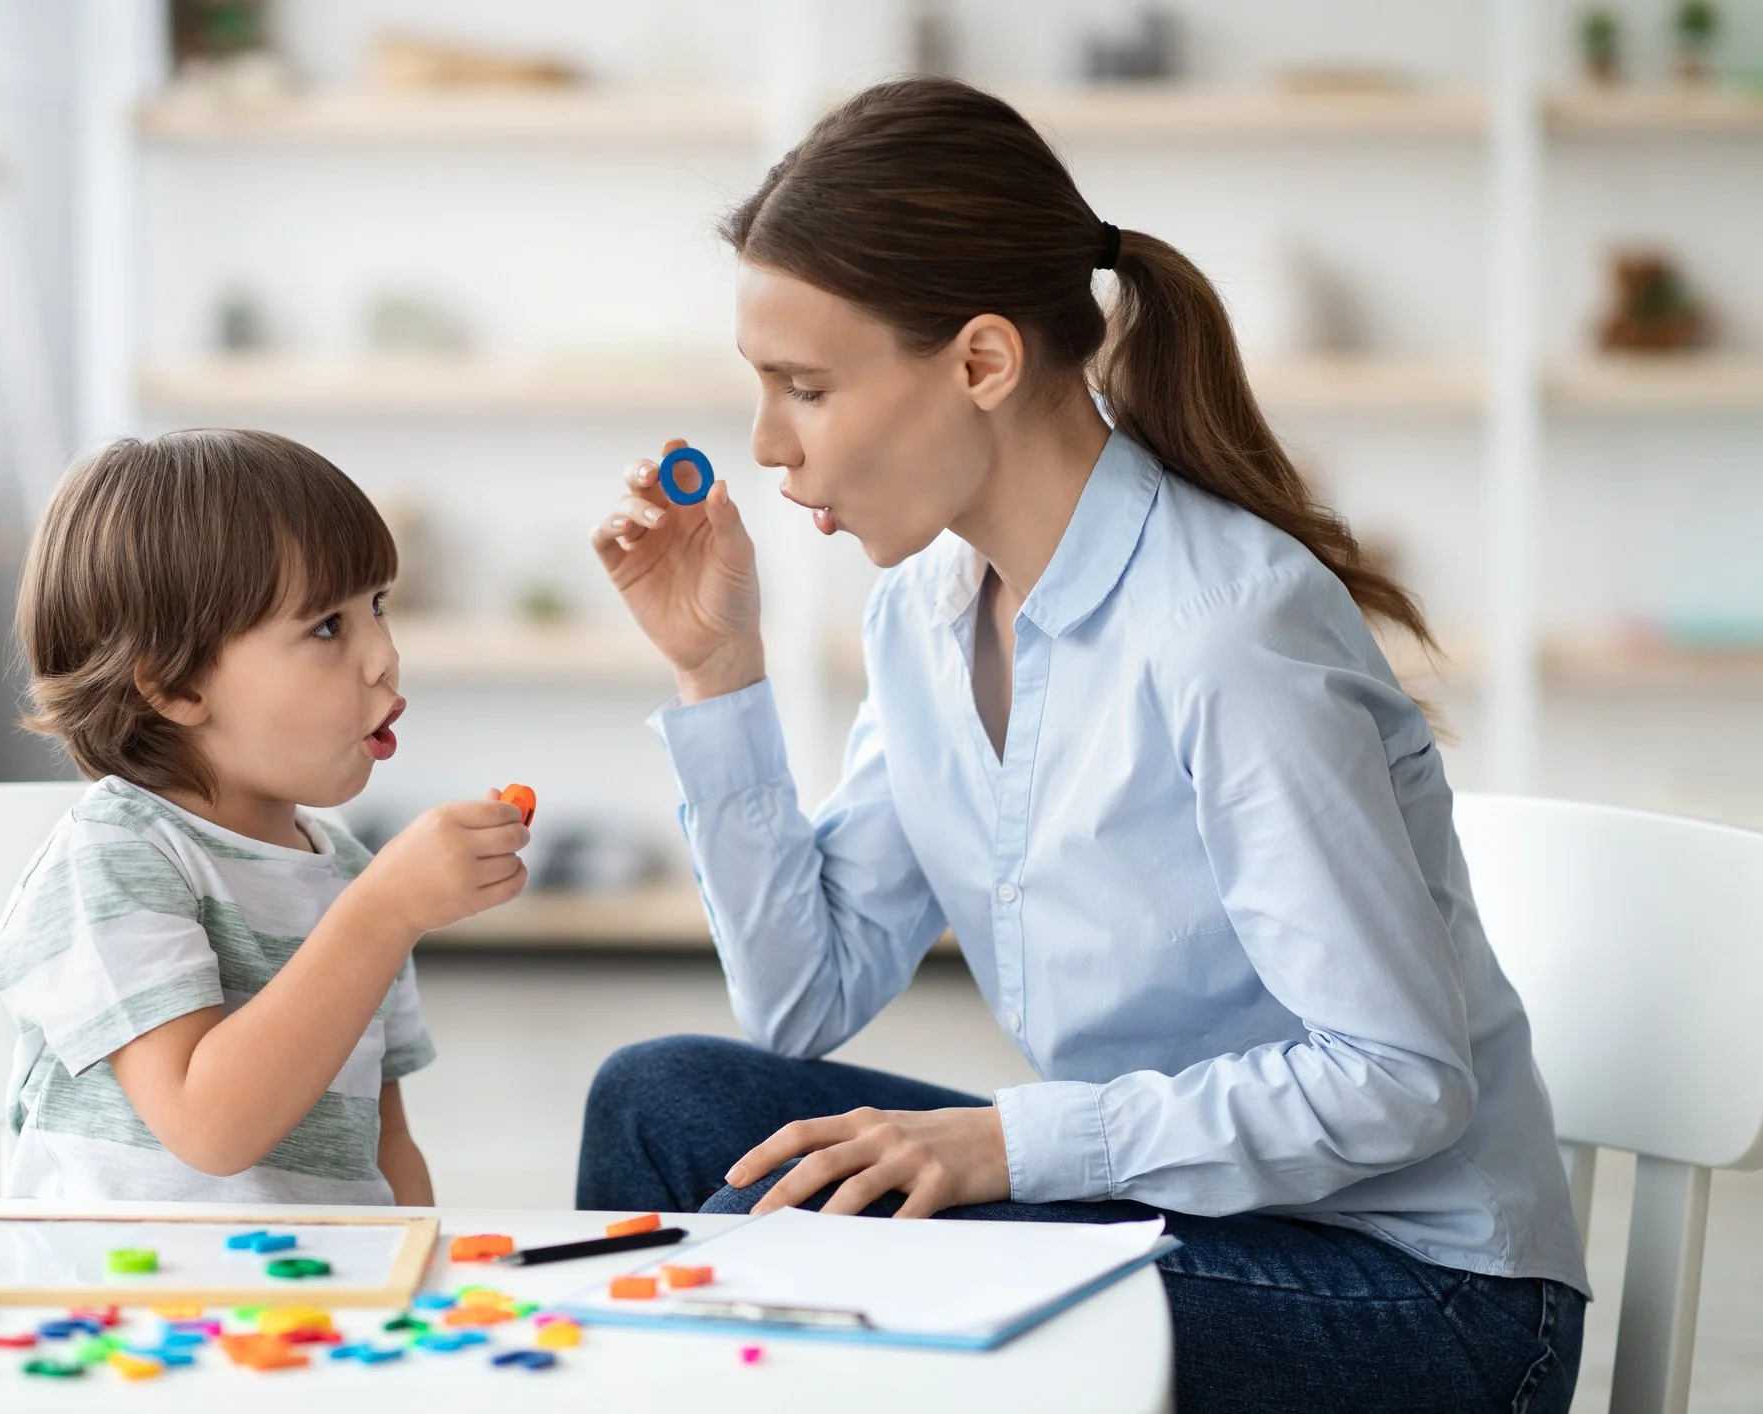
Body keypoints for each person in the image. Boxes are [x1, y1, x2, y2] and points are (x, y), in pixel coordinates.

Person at [577, 78, 1588, 1413]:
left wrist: (1010, 1142)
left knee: (797, 1241)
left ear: (983, 362)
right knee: (661, 1102)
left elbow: (1396, 1081)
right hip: (1190, 1222)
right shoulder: (925, 616)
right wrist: (717, 673)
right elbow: (803, 997)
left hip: (1422, 1300)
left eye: (805, 388)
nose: (768, 447)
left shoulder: (1229, 629)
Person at [0, 428, 530, 1202]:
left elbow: (387, 1143)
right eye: (325, 627)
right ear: (174, 686)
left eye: (377, 606)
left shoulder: (348, 870)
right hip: (126, 1309)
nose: (384, 655)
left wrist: (423, 1284)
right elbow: (209, 1127)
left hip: (314, 1310)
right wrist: (383, 914)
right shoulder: (113, 859)